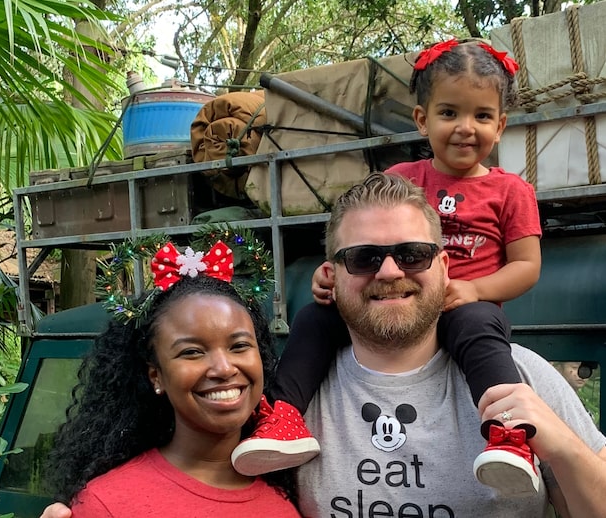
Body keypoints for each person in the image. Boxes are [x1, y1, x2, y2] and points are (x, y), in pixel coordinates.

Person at [40, 172, 606, 517]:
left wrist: (559, 441)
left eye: (411, 253)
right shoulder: (284, 404)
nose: (388, 271)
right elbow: (190, 482)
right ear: (332, 273)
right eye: (362, 257)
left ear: (440, 266)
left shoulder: (520, 377)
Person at [233, 39, 544, 497]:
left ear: (500, 126)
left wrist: (475, 290)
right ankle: (282, 417)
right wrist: (333, 275)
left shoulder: (511, 191)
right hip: (387, 304)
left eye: (481, 116)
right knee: (315, 319)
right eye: (449, 113)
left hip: (462, 311)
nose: (465, 128)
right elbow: (361, 240)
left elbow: (527, 267)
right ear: (422, 120)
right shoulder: (401, 178)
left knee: (481, 333)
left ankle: (510, 434)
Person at [44, 239, 301, 517]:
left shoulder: (290, 497)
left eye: (239, 346)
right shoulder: (107, 504)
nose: (224, 368)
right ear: (156, 376)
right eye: (192, 352)